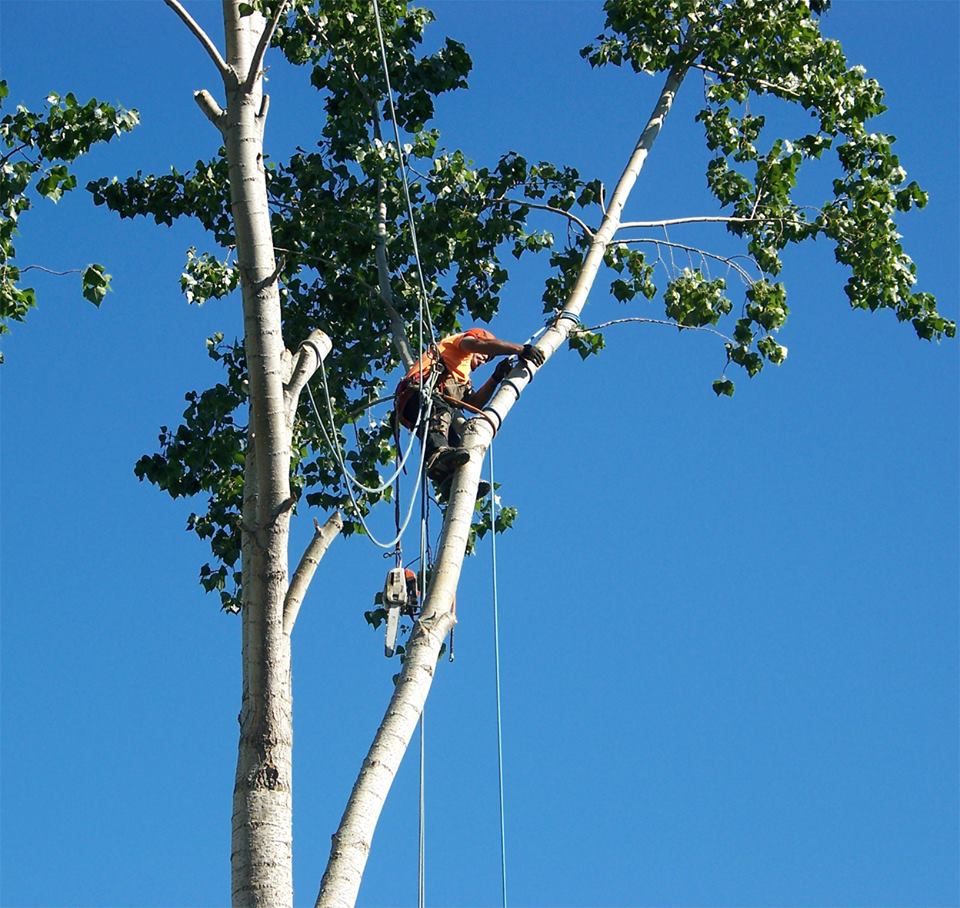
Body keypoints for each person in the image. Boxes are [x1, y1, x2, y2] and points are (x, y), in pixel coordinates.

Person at [395, 328, 545, 490]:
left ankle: (452, 478)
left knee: (457, 445)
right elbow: (476, 344)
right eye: (485, 354)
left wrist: (496, 377)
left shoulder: (461, 377)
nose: (485, 359)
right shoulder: (459, 345)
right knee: (441, 412)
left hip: (421, 410)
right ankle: (437, 455)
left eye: (488, 359)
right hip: (418, 395)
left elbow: (474, 404)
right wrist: (520, 349)